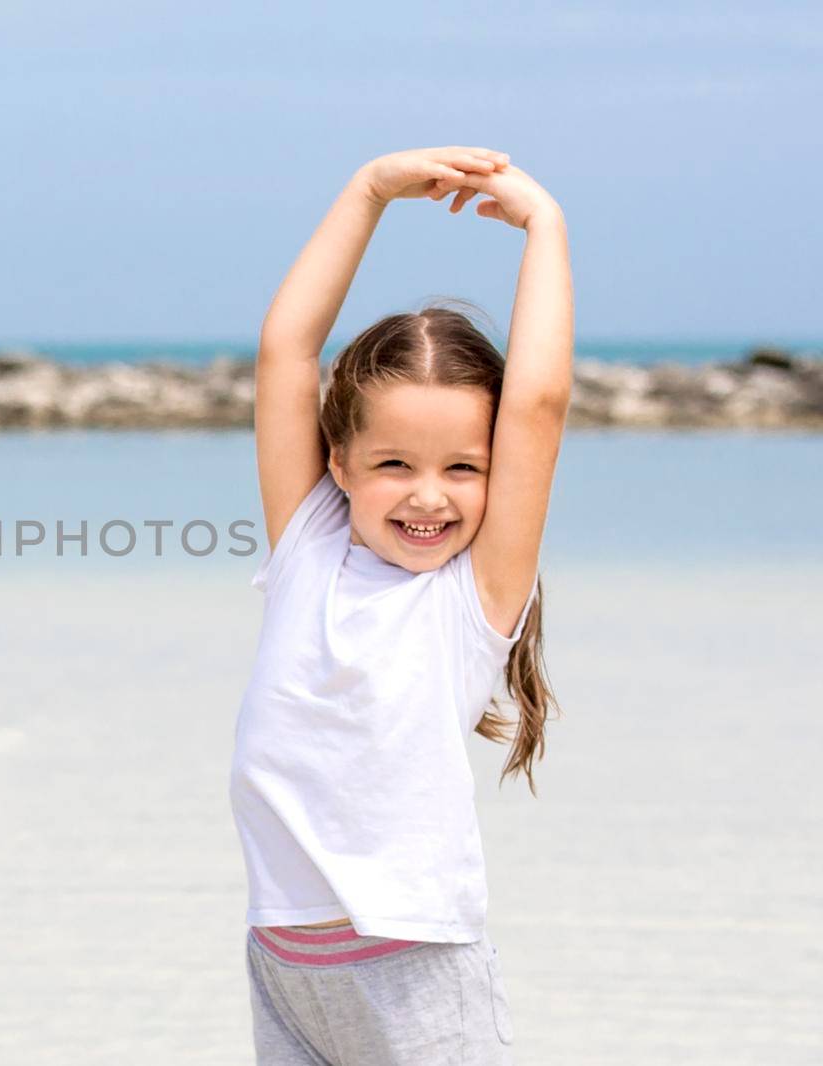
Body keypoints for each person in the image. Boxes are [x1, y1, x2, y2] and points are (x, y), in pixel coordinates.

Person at [229, 146, 572, 1065]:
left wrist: (545, 228)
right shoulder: (311, 545)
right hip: (286, 954)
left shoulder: (471, 597)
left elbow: (536, 402)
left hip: (415, 962)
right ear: (340, 465)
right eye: (394, 466)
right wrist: (368, 190)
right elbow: (286, 351)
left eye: (464, 468)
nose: (430, 497)